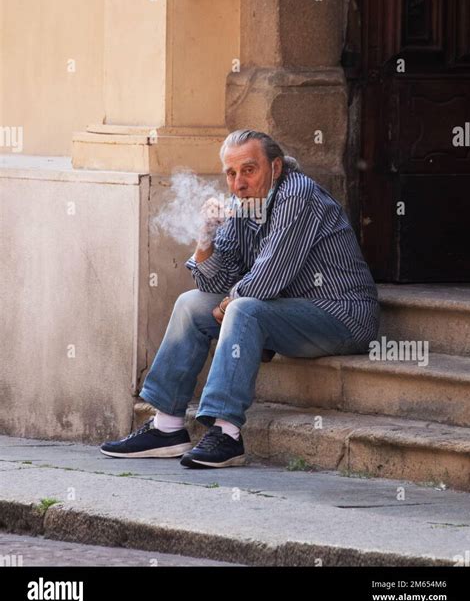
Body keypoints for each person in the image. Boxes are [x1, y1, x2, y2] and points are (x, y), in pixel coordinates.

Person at [100, 129, 380, 468]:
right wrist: (206, 241)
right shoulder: (242, 202)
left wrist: (225, 305)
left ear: (275, 168)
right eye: (231, 173)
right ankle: (167, 427)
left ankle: (227, 434)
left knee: (245, 309)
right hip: (283, 311)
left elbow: (269, 277)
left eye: (249, 170)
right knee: (190, 305)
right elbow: (215, 279)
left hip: (340, 315)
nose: (238, 183)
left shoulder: (298, 195)